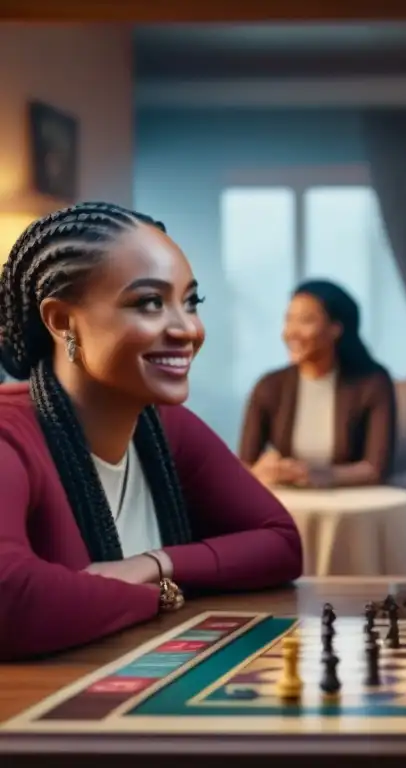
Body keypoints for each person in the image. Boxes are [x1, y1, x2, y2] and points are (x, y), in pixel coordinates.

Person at [0, 202, 303, 661]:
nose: (187, 329)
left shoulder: (164, 426)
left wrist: (151, 565)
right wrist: (160, 594)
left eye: (190, 302)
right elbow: (13, 600)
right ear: (62, 320)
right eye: (149, 303)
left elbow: (280, 542)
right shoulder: (9, 436)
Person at [239, 279, 395, 489]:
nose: (291, 332)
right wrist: (266, 470)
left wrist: (321, 475)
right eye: (288, 320)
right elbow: (244, 465)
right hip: (287, 502)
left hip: (351, 501)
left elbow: (375, 469)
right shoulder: (270, 385)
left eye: (305, 321)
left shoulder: (372, 383)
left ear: (335, 328)